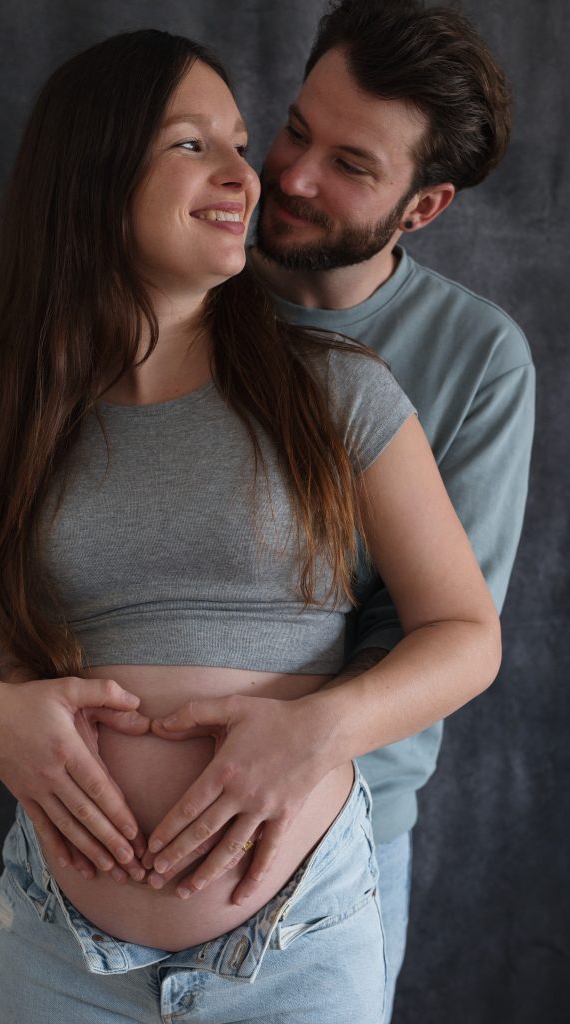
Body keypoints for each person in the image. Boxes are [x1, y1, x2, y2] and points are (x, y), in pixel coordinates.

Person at [0, 28, 501, 1024]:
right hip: (57, 952)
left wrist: (314, 732)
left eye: (239, 144)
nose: (244, 175)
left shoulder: (338, 394)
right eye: (192, 144)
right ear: (92, 173)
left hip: (297, 949)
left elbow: (466, 635)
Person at [245, 0, 535, 1017]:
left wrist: (284, 753)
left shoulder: (477, 359)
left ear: (422, 206)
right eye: (294, 130)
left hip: (342, 845)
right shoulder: (175, 283)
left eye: (349, 165)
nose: (290, 176)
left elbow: (441, 633)